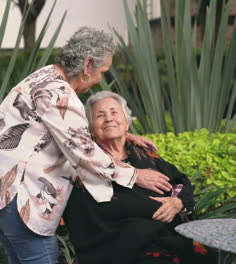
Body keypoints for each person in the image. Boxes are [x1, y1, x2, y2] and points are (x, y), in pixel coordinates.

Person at [0, 27, 172, 264]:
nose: (100, 80)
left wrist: (122, 138)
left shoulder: (43, 76)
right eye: (102, 72)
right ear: (88, 65)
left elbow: (58, 133)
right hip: (16, 198)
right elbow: (84, 153)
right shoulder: (60, 94)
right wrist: (135, 175)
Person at [63, 91, 216, 264]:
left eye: (114, 112)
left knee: (207, 254)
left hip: (166, 236)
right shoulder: (88, 163)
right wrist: (153, 208)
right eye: (100, 115)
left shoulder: (146, 154)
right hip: (120, 246)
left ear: (126, 123)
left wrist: (177, 202)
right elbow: (98, 211)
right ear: (91, 128)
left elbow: (181, 182)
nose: (108, 118)